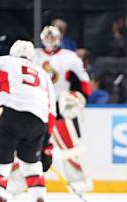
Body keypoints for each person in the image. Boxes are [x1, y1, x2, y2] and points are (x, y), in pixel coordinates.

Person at [0, 40, 56, 202]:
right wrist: (46, 143)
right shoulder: (43, 74)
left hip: (10, 113)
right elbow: (52, 112)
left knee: (0, 164)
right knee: (32, 165)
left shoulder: (2, 61)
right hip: (38, 119)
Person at [34, 25, 93, 192]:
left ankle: (79, 181)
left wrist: (81, 99)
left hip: (61, 105)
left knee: (70, 145)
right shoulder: (34, 56)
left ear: (59, 38)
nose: (50, 40)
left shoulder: (70, 57)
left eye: (53, 37)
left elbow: (84, 82)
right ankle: (17, 183)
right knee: (27, 143)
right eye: (48, 36)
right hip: (38, 104)